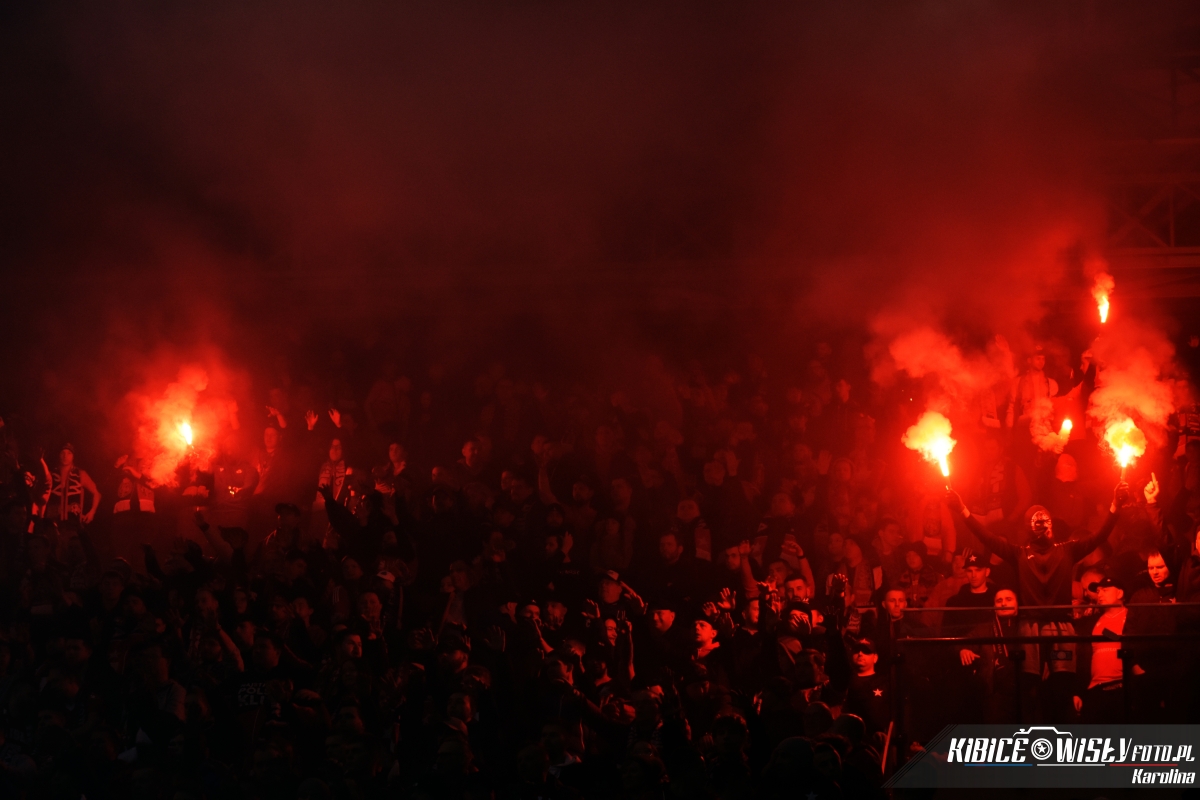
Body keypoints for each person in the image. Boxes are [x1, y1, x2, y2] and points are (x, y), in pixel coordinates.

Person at [45, 444, 100, 531]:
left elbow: (97, 494)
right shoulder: (51, 475)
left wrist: (92, 512)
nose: (65, 456)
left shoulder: (80, 474)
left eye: (69, 453)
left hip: (73, 525)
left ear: (73, 456)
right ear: (59, 455)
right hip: (53, 525)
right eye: (62, 453)